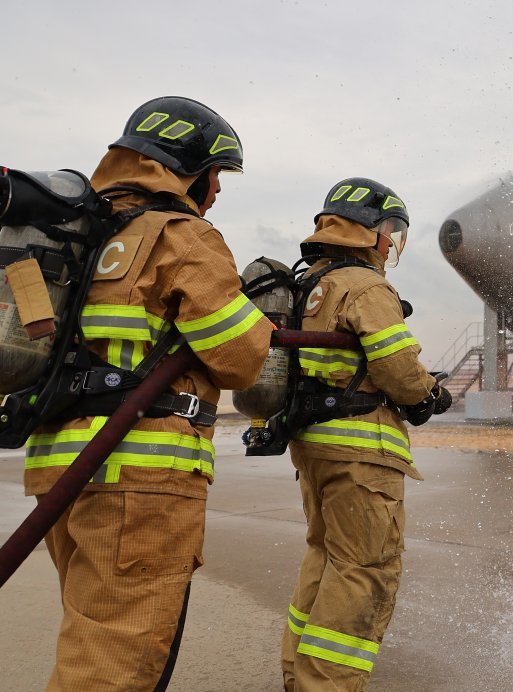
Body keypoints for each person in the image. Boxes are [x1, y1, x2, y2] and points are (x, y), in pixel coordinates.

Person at [22, 96, 273, 690]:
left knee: (90, 635)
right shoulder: (179, 235)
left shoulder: (76, 238)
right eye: (216, 177)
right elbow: (240, 358)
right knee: (112, 668)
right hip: (139, 479)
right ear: (192, 169)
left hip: (58, 467)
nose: (216, 192)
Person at [281, 177, 451, 690]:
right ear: (374, 232)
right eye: (391, 233)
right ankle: (326, 686)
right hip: (362, 450)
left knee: (325, 556)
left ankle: (298, 674)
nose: (390, 245)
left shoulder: (309, 283)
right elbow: (398, 365)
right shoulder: (365, 285)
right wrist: (427, 396)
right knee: (365, 569)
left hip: (313, 443)